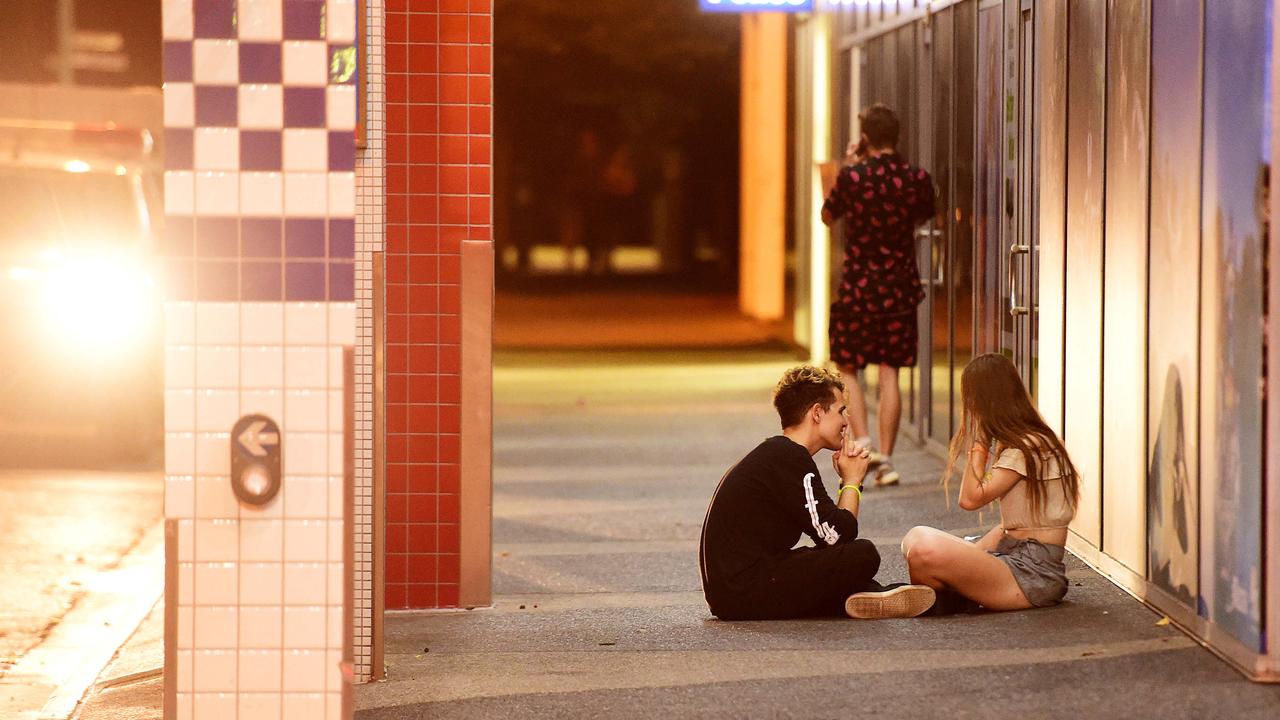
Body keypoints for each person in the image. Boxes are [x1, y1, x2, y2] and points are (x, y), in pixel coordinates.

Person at [699, 365, 937, 620]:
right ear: (817, 413)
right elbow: (838, 537)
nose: (846, 422)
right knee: (862, 555)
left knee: (831, 565)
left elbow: (827, 538)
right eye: (841, 411)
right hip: (742, 592)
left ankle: (875, 598)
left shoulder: (780, 456)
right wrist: (852, 480)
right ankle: (902, 597)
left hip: (737, 590)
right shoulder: (788, 458)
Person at [900, 353, 1081, 612]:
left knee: (924, 550)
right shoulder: (1030, 441)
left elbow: (970, 499)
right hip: (1014, 560)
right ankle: (948, 598)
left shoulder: (1030, 447)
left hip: (1031, 576)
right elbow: (1009, 527)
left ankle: (946, 598)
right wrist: (972, 554)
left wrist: (979, 445)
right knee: (914, 537)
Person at [820, 104, 935, 488]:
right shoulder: (915, 177)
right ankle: (887, 458)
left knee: (849, 365)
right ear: (897, 136)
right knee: (890, 373)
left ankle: (864, 443)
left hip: (858, 286)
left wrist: (852, 163)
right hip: (899, 287)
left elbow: (828, 213)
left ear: (865, 137)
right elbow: (925, 212)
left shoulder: (853, 177)